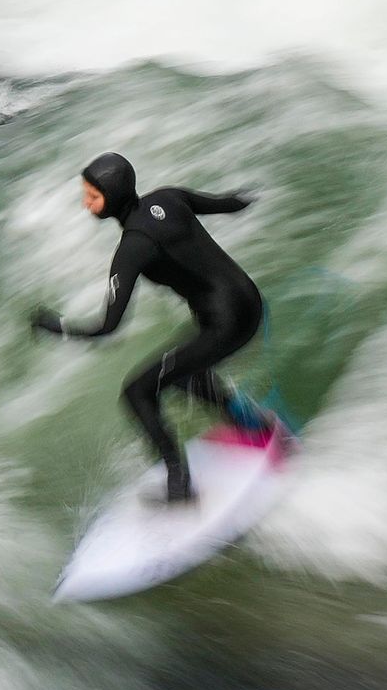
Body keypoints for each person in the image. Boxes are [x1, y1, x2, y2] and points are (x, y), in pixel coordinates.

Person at [29, 151, 275, 504]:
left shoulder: (133, 248)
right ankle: (252, 424)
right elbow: (228, 203)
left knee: (138, 392)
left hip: (225, 324)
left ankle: (179, 486)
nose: (85, 204)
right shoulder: (167, 198)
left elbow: (108, 327)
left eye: (92, 196)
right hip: (249, 303)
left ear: (111, 198)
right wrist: (256, 193)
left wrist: (59, 327)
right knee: (185, 372)